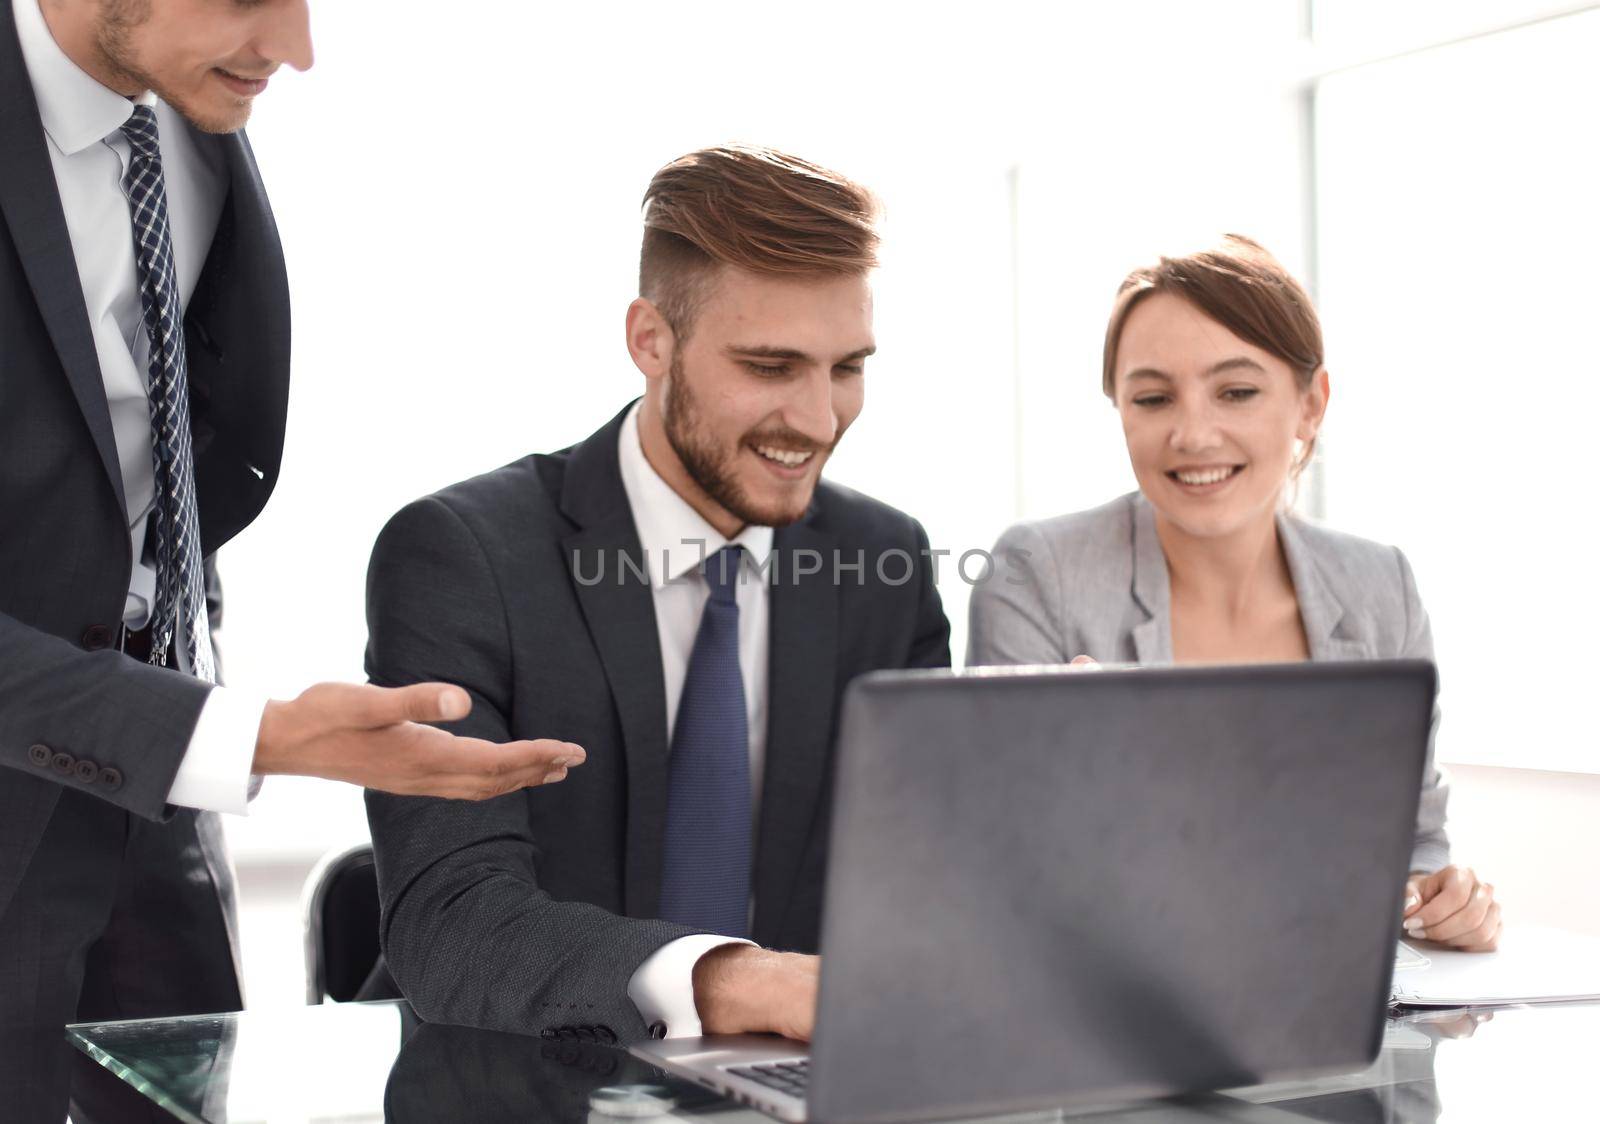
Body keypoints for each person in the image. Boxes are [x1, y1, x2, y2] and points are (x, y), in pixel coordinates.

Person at [0, 2, 580, 1119]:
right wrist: (261, 735)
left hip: (156, 786)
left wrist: (178, 679)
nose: (296, 49)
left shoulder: (185, 98)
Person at [363, 145, 951, 1045]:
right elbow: (452, 922)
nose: (820, 420)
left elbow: (924, 880)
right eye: (770, 366)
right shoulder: (464, 555)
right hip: (515, 1084)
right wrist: (734, 982)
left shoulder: (886, 560)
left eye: (847, 368)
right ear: (650, 340)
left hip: (787, 1086)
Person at [967, 234, 1500, 952]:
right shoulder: (1038, 574)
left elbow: (1415, 843)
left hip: (1330, 1017)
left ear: (1311, 405)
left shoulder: (1381, 588)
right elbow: (1005, 861)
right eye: (1153, 398)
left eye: (1237, 392)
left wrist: (1443, 904)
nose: (1191, 434)